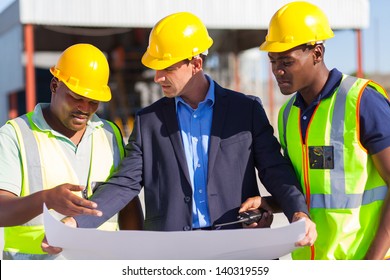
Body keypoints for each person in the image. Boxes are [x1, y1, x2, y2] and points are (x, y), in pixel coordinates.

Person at [42, 12, 317, 256]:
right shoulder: (149, 121)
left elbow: (274, 169)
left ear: (195, 64)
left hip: (238, 246)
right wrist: (76, 223)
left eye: (167, 68)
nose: (158, 77)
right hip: (171, 254)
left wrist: (298, 212)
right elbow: (124, 184)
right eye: (156, 68)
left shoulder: (245, 110)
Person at [253, 1, 390, 260]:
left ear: (316, 53)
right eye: (272, 61)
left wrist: (371, 264)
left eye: (286, 61)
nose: (277, 71)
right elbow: (312, 193)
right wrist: (267, 204)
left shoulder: (362, 101)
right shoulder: (287, 115)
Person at [0, 43, 144, 260]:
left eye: (93, 101)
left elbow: (127, 201)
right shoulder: (16, 135)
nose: (84, 108)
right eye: (76, 97)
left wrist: (137, 260)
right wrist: (47, 199)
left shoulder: (109, 133)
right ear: (55, 85)